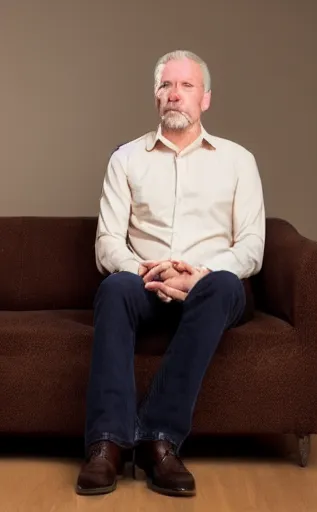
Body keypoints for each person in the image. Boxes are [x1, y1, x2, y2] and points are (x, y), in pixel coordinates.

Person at [75, 50, 265, 498]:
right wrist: (144, 269)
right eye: (166, 86)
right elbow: (107, 243)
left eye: (186, 86)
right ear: (155, 97)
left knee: (221, 285)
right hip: (144, 282)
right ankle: (108, 445)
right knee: (114, 287)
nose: (175, 94)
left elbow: (251, 247)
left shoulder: (238, 160)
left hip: (211, 287)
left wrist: (198, 274)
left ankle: (159, 440)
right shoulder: (126, 159)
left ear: (206, 99)